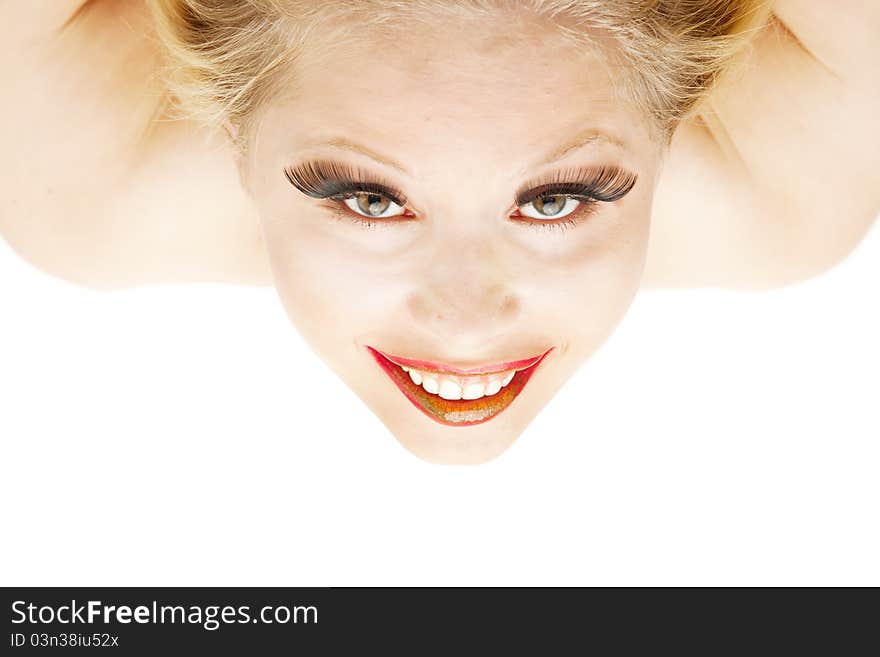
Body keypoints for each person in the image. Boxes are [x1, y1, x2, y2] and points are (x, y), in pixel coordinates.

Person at [2, 1, 878, 464]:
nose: (465, 323)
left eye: (554, 200)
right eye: (372, 200)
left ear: (675, 120)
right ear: (230, 128)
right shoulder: (788, 200)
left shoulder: (86, 189)